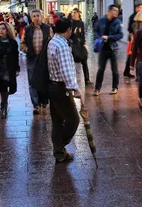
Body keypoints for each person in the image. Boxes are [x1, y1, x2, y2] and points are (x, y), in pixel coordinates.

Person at [47, 18, 81, 163]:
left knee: (57, 120)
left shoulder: (53, 41)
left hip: (52, 86)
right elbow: (66, 70)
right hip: (61, 88)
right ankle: (59, 147)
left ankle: (59, 153)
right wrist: (75, 89)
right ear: (68, 30)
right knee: (73, 120)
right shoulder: (62, 45)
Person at [21, 9, 52, 114]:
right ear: (31, 18)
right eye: (34, 16)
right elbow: (22, 43)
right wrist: (27, 50)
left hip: (44, 59)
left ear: (41, 16)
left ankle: (44, 100)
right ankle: (36, 104)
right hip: (32, 58)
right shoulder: (27, 29)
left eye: (38, 15)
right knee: (32, 81)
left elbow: (52, 42)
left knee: (44, 79)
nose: (36, 18)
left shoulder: (47, 28)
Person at [0, 22, 20, 118]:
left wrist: (17, 68)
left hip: (8, 67)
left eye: (3, 29)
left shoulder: (13, 43)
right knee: (2, 86)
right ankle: (4, 104)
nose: (1, 31)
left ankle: (4, 105)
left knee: (5, 85)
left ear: (7, 30)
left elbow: (15, 56)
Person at [93, 5, 123, 96]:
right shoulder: (101, 20)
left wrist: (109, 37)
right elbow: (96, 30)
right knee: (101, 69)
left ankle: (115, 87)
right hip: (103, 48)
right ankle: (97, 89)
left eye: (117, 11)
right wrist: (99, 38)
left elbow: (120, 35)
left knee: (115, 70)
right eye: (114, 10)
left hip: (113, 48)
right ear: (109, 11)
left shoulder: (117, 22)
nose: (116, 12)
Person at [123, 3, 142, 79]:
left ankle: (127, 71)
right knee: (131, 55)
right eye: (140, 7)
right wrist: (132, 37)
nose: (141, 9)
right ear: (136, 8)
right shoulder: (133, 17)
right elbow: (130, 29)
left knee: (134, 55)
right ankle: (127, 71)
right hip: (132, 39)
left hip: (139, 39)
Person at [71, 8, 91, 85]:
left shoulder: (81, 23)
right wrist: (74, 33)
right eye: (72, 12)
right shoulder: (71, 23)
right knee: (73, 63)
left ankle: (87, 79)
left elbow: (82, 34)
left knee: (84, 61)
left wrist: (84, 42)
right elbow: (69, 35)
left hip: (81, 44)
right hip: (73, 44)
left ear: (78, 13)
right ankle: (73, 80)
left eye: (75, 12)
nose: (73, 14)